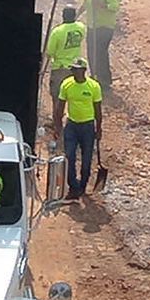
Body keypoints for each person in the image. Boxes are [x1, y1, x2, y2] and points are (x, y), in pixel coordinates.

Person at [57, 58, 104, 199]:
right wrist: (57, 125)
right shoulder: (67, 84)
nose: (74, 72)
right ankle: (73, 186)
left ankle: (83, 185)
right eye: (73, 69)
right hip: (71, 125)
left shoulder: (94, 87)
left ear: (83, 71)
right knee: (69, 156)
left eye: (77, 69)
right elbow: (60, 105)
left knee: (86, 158)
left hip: (87, 126)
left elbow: (98, 110)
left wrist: (99, 128)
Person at [44, 4, 87, 134]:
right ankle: (73, 123)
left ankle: (57, 125)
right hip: (75, 68)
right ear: (74, 16)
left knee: (57, 97)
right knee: (73, 96)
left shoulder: (57, 31)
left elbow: (50, 52)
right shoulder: (81, 28)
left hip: (60, 68)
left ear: (63, 16)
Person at [83, 0, 120, 90]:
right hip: (92, 25)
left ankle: (104, 80)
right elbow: (86, 2)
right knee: (91, 51)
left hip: (104, 26)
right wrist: (77, 14)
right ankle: (94, 74)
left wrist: (102, 4)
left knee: (100, 53)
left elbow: (115, 6)